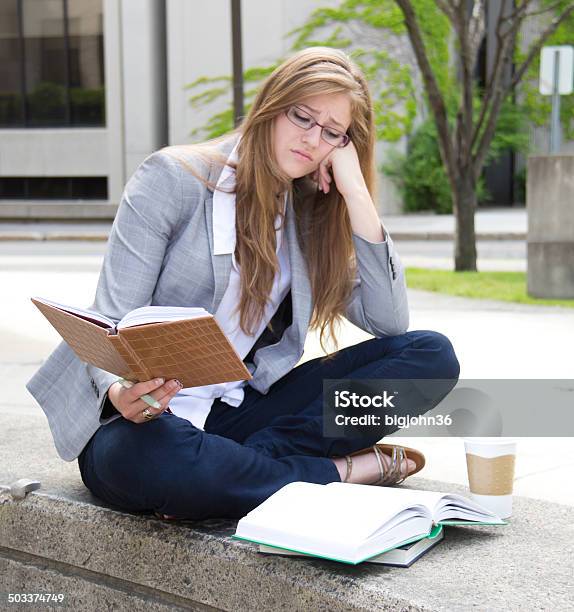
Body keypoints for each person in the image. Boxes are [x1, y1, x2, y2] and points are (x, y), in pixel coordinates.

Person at [26, 47, 460, 521]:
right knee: (156, 459)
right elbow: (108, 317)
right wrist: (117, 393)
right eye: (303, 117)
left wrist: (356, 192)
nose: (313, 139)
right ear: (274, 104)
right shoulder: (173, 178)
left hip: (240, 415)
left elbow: (389, 321)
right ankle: (338, 473)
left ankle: (248, 468)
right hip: (142, 422)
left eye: (333, 133)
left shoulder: (312, 214)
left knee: (430, 357)